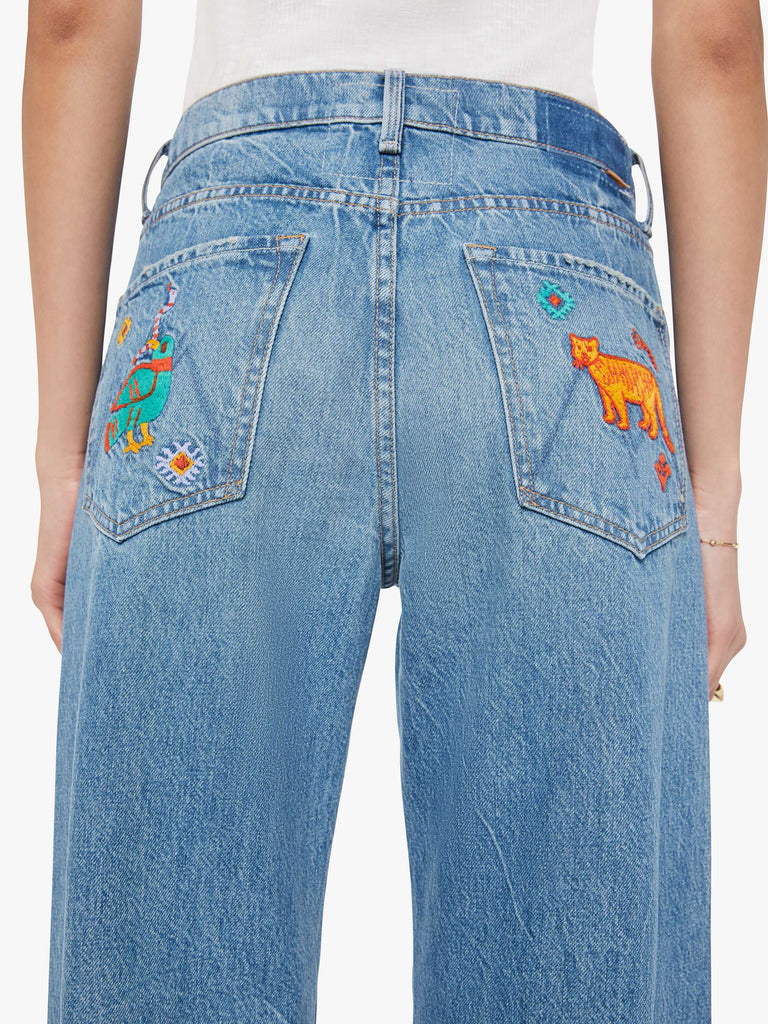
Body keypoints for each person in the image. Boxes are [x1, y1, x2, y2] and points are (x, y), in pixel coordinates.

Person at [23, 1, 765, 1022]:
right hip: (551, 287)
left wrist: (62, 466)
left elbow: (72, 22)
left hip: (228, 283)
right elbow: (717, 43)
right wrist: (713, 513)